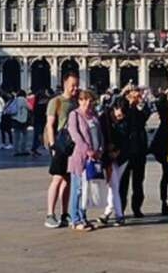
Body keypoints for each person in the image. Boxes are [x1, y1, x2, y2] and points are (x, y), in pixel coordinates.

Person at [44, 75, 79, 229]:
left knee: (67, 180)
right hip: (59, 144)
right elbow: (50, 124)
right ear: (65, 84)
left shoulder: (75, 102)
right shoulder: (56, 102)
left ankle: (65, 213)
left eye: (77, 85)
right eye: (72, 85)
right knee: (57, 178)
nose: (75, 88)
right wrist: (53, 146)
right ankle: (50, 214)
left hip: (71, 145)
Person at [66, 89, 102, 231]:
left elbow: (100, 134)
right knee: (77, 189)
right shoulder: (74, 115)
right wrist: (88, 150)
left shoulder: (94, 116)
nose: (87, 103)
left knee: (87, 190)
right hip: (79, 158)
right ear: (79, 101)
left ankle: (83, 217)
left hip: (93, 158)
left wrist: (100, 149)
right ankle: (75, 219)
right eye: (84, 100)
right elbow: (75, 135)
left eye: (90, 100)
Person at [99, 96, 133, 225]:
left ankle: (114, 214)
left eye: (124, 113)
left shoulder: (128, 118)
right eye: (120, 112)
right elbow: (101, 135)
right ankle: (114, 214)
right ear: (114, 108)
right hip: (108, 155)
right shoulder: (104, 118)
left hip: (122, 156)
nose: (122, 115)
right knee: (113, 185)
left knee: (114, 185)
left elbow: (128, 138)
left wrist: (118, 151)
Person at [118, 86, 149, 218]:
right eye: (133, 95)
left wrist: (141, 104)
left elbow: (146, 116)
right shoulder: (122, 106)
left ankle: (137, 207)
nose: (136, 97)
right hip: (125, 150)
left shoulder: (140, 108)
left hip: (139, 150)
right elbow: (120, 119)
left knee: (138, 182)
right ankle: (121, 208)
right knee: (123, 183)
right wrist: (128, 103)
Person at [149, 87, 168, 216]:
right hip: (165, 144)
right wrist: (166, 93)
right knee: (167, 175)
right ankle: (164, 202)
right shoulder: (165, 112)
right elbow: (159, 104)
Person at [10, 90, 31, 156]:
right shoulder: (24, 100)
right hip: (23, 120)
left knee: (16, 136)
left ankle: (16, 150)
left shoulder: (15, 100)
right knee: (25, 135)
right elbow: (30, 107)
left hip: (15, 119)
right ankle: (23, 149)